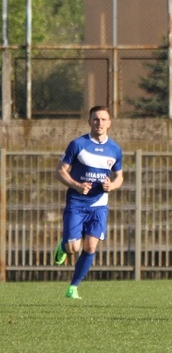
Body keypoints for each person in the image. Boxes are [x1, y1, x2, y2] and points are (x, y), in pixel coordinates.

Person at [53, 105, 124, 300]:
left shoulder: (115, 149)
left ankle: (73, 287)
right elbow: (60, 171)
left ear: (109, 123)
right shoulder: (77, 144)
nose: (99, 123)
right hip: (76, 203)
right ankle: (64, 246)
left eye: (103, 119)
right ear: (89, 122)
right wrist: (76, 185)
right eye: (95, 119)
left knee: (90, 246)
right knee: (73, 249)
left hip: (99, 204)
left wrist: (113, 186)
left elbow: (119, 177)